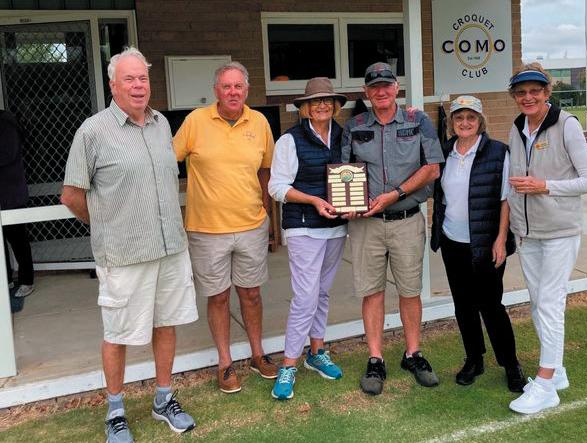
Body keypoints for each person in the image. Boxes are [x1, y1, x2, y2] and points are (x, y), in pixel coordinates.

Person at [61, 47, 198, 442]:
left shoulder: (160, 124)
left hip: (170, 248)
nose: (139, 86)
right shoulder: (92, 131)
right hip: (123, 255)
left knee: (165, 325)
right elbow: (71, 195)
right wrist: (105, 224)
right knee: (118, 333)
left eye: (143, 78)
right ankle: (115, 411)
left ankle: (163, 399)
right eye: (129, 79)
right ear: (113, 86)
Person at [173, 61, 278, 394]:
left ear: (246, 90)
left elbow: (266, 170)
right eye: (226, 86)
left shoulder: (259, 122)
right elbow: (167, 161)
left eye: (238, 86)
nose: (233, 92)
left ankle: (257, 354)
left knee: (251, 294)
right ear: (216, 90)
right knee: (218, 297)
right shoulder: (195, 121)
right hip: (207, 230)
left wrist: (266, 211)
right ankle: (225, 362)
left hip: (251, 225)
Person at [341, 62, 444, 396]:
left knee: (410, 291)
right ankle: (376, 358)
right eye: (374, 87)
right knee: (371, 291)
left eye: (387, 85)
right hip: (366, 225)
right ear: (366, 92)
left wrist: (394, 194)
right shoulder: (354, 126)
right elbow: (344, 171)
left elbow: (432, 168)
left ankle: (413, 354)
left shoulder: (418, 121)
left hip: (406, 220)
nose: (381, 91)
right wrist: (347, 202)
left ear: (396, 88)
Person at [505, 63, 587, 414]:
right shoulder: (516, 127)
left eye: (535, 91)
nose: (528, 97)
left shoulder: (567, 125)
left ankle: (545, 386)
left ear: (547, 92)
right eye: (521, 92)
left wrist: (545, 186)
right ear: (515, 96)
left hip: (560, 231)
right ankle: (556, 372)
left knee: (549, 303)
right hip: (528, 233)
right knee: (538, 303)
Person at [430, 95, 526, 393]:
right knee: (463, 305)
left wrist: (501, 239)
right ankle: (474, 359)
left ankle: (510, 364)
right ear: (451, 122)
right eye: (459, 118)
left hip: (486, 243)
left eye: (471, 117)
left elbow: (505, 199)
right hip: (452, 241)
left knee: (491, 305)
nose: (465, 123)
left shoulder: (498, 152)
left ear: (480, 121)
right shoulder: (444, 152)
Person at [268, 77, 348, 400]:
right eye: (315, 101)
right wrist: (314, 200)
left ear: (335, 106)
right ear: (305, 108)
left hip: (336, 227)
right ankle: (289, 364)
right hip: (303, 226)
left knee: (322, 292)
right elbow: (277, 187)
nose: (322, 106)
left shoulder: (343, 136)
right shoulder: (289, 140)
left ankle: (316, 352)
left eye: (327, 100)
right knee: (305, 297)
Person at [0, 110, 34, 303]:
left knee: (17, 237)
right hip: (7, 192)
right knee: (3, 241)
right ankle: (5, 279)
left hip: (10, 193)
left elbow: (8, 154)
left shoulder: (6, 124)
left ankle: (26, 280)